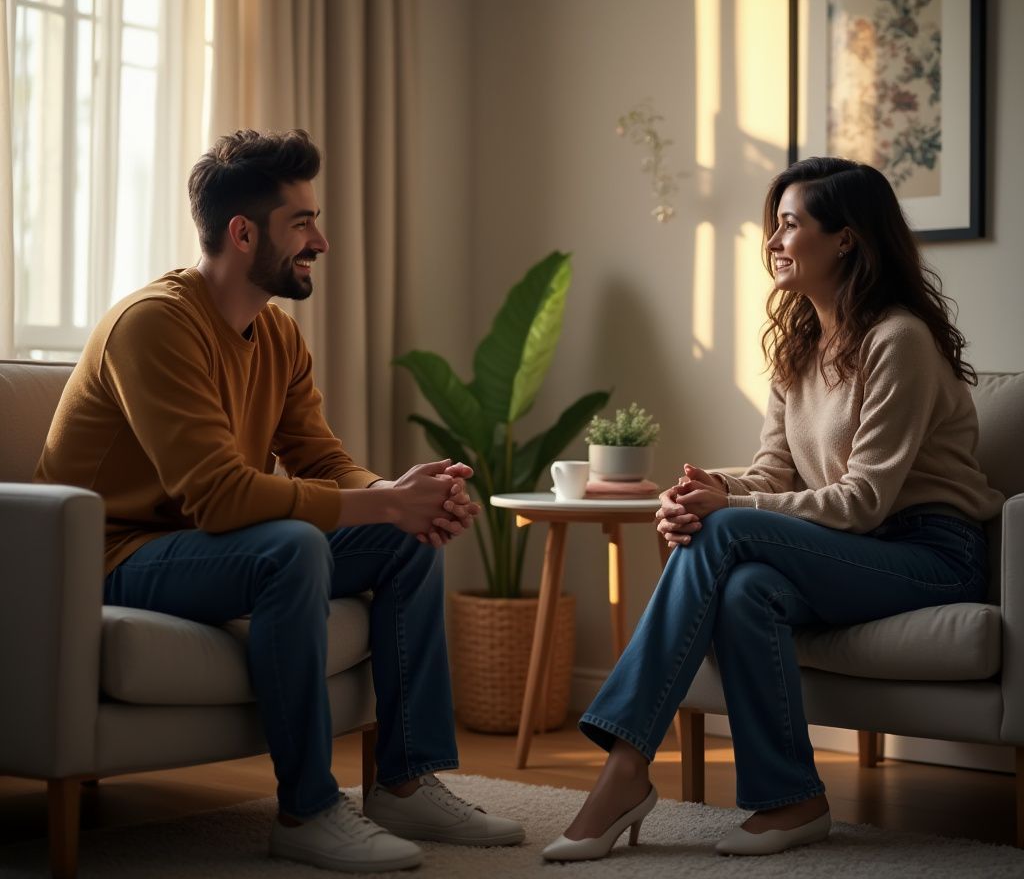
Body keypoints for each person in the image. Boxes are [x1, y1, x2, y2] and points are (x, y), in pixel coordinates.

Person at [36, 128, 525, 873]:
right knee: (289, 546)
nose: (320, 242)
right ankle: (307, 809)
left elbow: (322, 461)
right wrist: (385, 505)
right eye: (302, 223)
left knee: (404, 538)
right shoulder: (154, 325)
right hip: (108, 557)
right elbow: (220, 496)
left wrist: (400, 498)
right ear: (242, 234)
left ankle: (403, 782)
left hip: (200, 549)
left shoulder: (278, 338)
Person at [543, 156, 1004, 862]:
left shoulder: (899, 340)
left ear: (845, 239)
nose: (773, 241)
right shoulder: (799, 350)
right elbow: (770, 474)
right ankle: (792, 798)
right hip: (849, 554)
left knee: (727, 529)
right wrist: (703, 489)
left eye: (790, 225)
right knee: (746, 589)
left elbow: (863, 499)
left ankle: (625, 767)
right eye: (775, 225)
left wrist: (727, 505)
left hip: (931, 555)